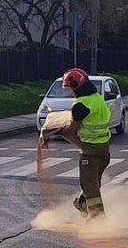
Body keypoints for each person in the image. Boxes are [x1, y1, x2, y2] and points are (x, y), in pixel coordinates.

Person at [44, 67, 111, 219]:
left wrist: (54, 132)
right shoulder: (97, 98)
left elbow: (71, 130)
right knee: (93, 182)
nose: (70, 92)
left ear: (75, 88)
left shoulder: (81, 105)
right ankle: (81, 204)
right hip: (104, 150)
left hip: (90, 151)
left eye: (70, 89)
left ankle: (97, 219)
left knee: (89, 185)